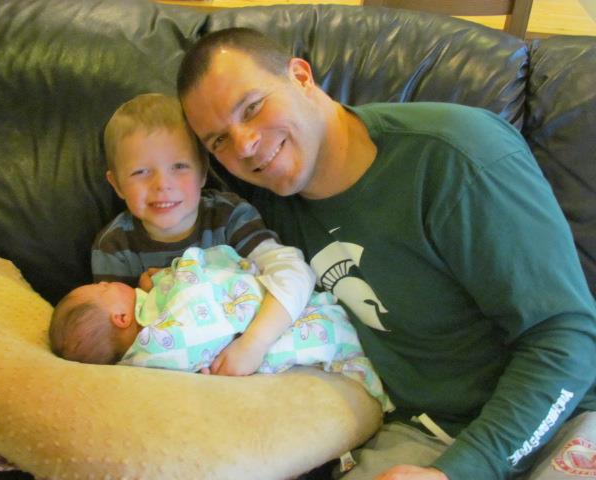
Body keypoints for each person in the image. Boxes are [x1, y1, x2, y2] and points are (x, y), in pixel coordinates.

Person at [176, 28, 596, 480]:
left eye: (253, 108)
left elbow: (567, 338)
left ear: (300, 76)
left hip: (559, 419)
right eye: (218, 141)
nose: (244, 145)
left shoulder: (456, 157)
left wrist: (460, 471)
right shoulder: (258, 210)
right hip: (421, 433)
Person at [92, 93, 318, 376]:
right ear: (116, 184)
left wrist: (254, 343)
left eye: (179, 167)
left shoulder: (230, 218)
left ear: (203, 172)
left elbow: (293, 272)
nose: (162, 185)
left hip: (252, 349)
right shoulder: (114, 248)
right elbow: (113, 339)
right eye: (140, 172)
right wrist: (149, 301)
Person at [49, 245, 389, 406]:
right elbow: (198, 316)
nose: (106, 282)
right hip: (258, 333)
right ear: (121, 318)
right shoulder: (153, 351)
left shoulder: (146, 320)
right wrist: (182, 276)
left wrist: (161, 286)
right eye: (102, 288)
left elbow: (171, 302)